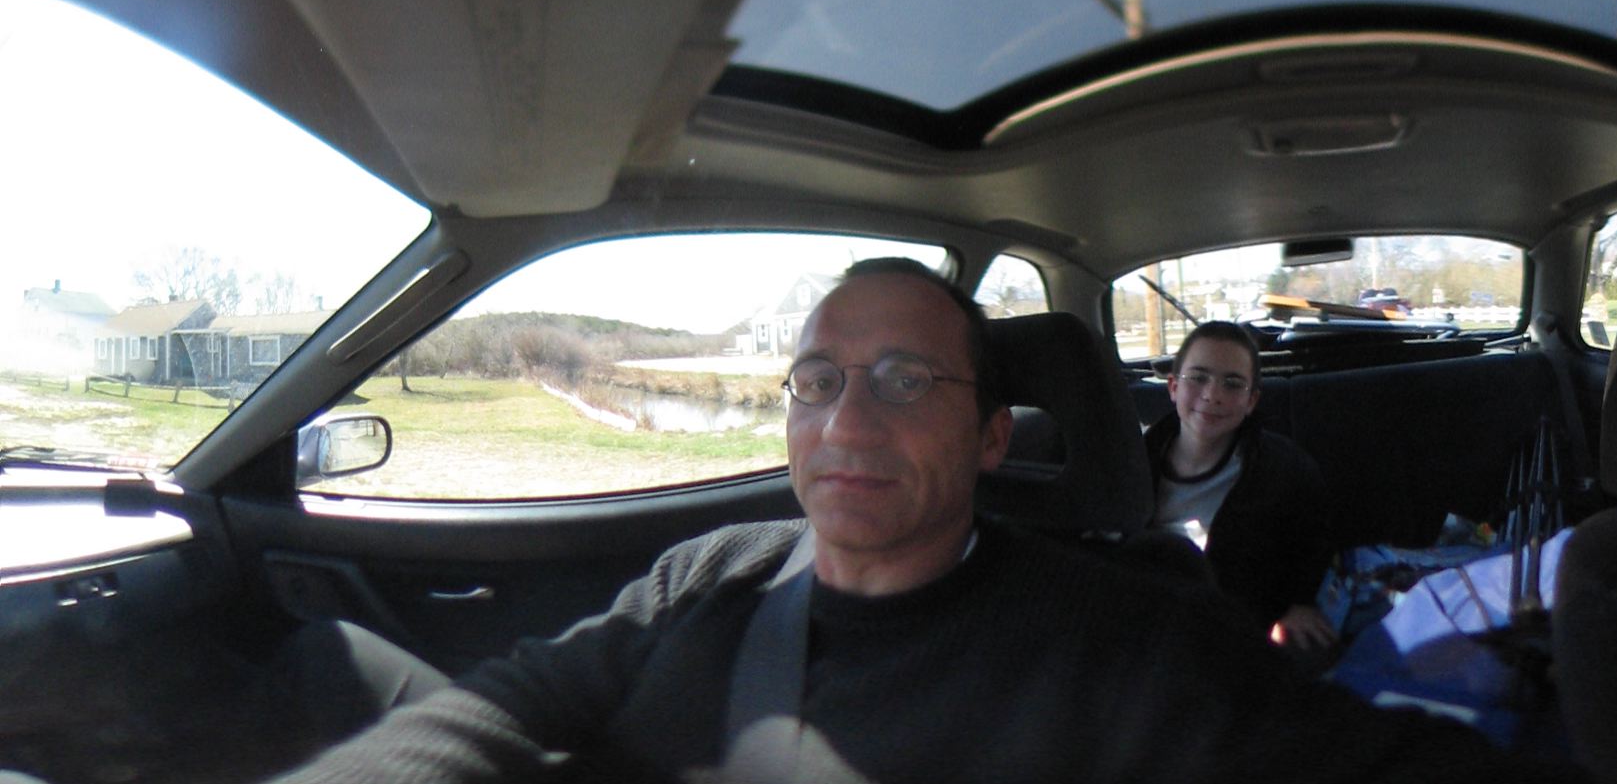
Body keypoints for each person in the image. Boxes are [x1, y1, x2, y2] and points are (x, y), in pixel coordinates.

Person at [271, 258, 1548, 783]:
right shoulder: (705, 577)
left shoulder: (1129, 638)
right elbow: (497, 711)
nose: (847, 424)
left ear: (992, 438)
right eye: (817, 382)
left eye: (901, 383)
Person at [1147, 321, 1342, 653]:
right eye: (1198, 378)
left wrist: (1292, 605)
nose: (1212, 395)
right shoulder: (1131, 461)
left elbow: (1313, 544)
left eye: (1232, 384)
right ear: (1173, 387)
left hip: (1230, 628)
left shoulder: (1283, 469)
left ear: (1251, 402)